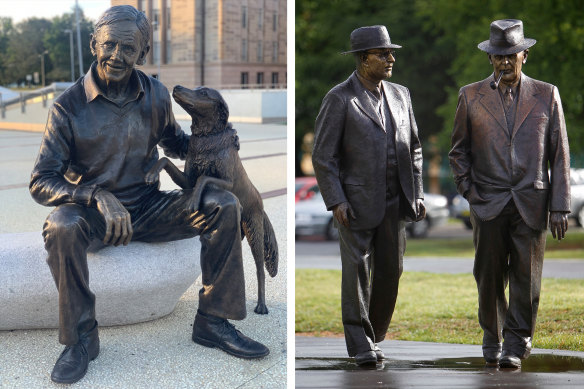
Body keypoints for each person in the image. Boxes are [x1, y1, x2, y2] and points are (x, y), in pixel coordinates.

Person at [30, 6, 268, 384]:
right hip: (95, 215)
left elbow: (176, 144)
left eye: (129, 48)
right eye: (109, 45)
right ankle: (80, 339)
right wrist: (95, 196)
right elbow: (41, 181)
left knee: (224, 204)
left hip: (150, 207)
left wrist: (219, 139)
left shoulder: (155, 93)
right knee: (60, 225)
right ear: (94, 44)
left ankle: (213, 320)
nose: (117, 56)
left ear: (143, 54)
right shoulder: (67, 107)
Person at [449, 19, 570, 369]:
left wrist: (560, 206)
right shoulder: (470, 95)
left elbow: (559, 152)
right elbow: (458, 151)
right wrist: (469, 191)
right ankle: (492, 335)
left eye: (511, 56)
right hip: (487, 202)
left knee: (525, 277)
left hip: (532, 201)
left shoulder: (547, 94)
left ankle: (516, 344)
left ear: (524, 56)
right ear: (490, 59)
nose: (505, 63)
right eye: (498, 57)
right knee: (487, 276)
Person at [312, 25, 425, 366]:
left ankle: (374, 335)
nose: (391, 59)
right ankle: (360, 344)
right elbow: (323, 156)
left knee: (392, 271)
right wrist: (336, 200)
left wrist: (417, 191)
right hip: (356, 204)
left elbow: (415, 148)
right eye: (383, 54)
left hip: (396, 201)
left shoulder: (401, 95)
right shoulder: (339, 98)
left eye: (391, 53)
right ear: (363, 59)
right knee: (356, 273)